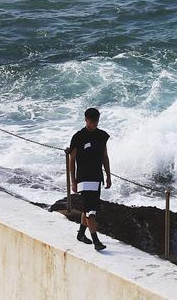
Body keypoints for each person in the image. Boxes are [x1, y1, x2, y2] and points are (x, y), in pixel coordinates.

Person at [69, 107, 111, 251]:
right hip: (83, 179)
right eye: (92, 121)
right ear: (86, 120)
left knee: (89, 208)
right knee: (90, 212)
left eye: (96, 121)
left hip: (97, 177)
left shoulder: (102, 136)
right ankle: (96, 242)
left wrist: (108, 176)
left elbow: (105, 157)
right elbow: (72, 160)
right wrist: (73, 181)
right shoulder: (78, 137)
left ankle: (81, 234)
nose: (94, 124)